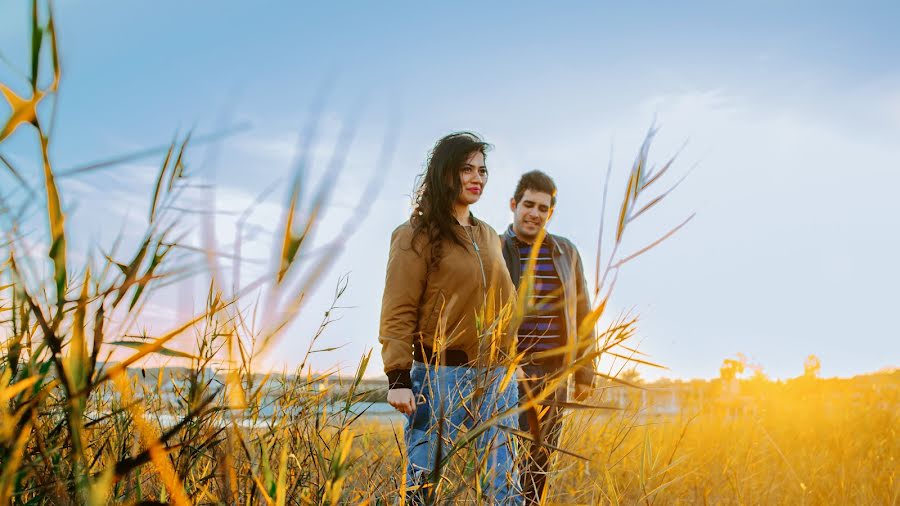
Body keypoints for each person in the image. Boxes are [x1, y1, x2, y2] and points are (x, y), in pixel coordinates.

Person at [379, 132, 521, 504]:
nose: (478, 178)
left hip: (496, 379)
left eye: (483, 170)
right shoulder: (416, 235)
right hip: (440, 376)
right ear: (445, 175)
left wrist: (513, 361)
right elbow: (398, 308)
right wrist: (397, 377)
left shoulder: (489, 235)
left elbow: (507, 304)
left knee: (503, 485)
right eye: (466, 169)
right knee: (424, 485)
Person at [500, 170, 597, 505]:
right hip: (509, 374)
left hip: (555, 374)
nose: (534, 213)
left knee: (540, 460)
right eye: (528, 204)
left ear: (550, 213)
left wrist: (585, 371)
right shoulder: (495, 248)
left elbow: (583, 309)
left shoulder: (566, 251)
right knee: (504, 456)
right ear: (514, 204)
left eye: (543, 208)